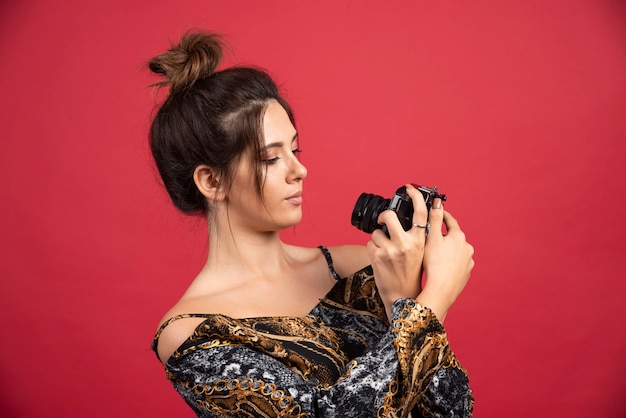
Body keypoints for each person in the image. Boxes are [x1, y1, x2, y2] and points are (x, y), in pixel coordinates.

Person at [149, 30, 475, 417]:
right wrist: (433, 299)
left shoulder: (360, 267)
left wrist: (401, 300)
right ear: (212, 181)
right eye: (271, 158)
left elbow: (450, 410)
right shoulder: (191, 334)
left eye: (296, 149)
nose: (299, 170)